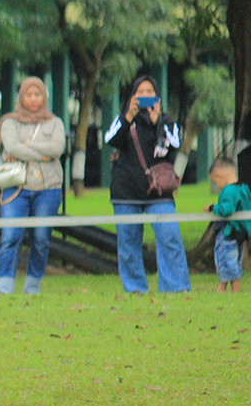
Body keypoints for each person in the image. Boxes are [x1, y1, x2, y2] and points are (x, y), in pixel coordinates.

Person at [104, 75, 190, 294]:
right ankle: (135, 289)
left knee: (169, 237)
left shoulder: (167, 121)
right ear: (132, 96)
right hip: (126, 191)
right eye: (139, 92)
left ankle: (175, 288)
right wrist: (129, 116)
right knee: (128, 244)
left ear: (157, 96)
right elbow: (111, 140)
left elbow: (175, 145)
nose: (144, 96)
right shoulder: (124, 118)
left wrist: (157, 121)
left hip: (158, 191)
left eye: (149, 92)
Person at [0, 77, 66, 295]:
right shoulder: (9, 122)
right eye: (29, 95)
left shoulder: (55, 122)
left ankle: (32, 287)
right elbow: (12, 147)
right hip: (17, 187)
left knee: (41, 239)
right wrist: (40, 153)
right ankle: (4, 288)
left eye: (37, 95)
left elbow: (56, 149)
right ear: (22, 97)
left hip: (48, 188)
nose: (33, 99)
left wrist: (28, 146)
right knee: (10, 236)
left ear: (44, 97)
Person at [205, 157, 251, 293]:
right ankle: (231, 289)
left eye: (215, 181)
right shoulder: (244, 188)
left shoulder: (228, 191)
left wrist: (213, 208)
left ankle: (224, 288)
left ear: (220, 174)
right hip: (240, 233)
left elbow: (227, 209)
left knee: (225, 259)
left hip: (228, 232)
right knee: (235, 260)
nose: (217, 185)